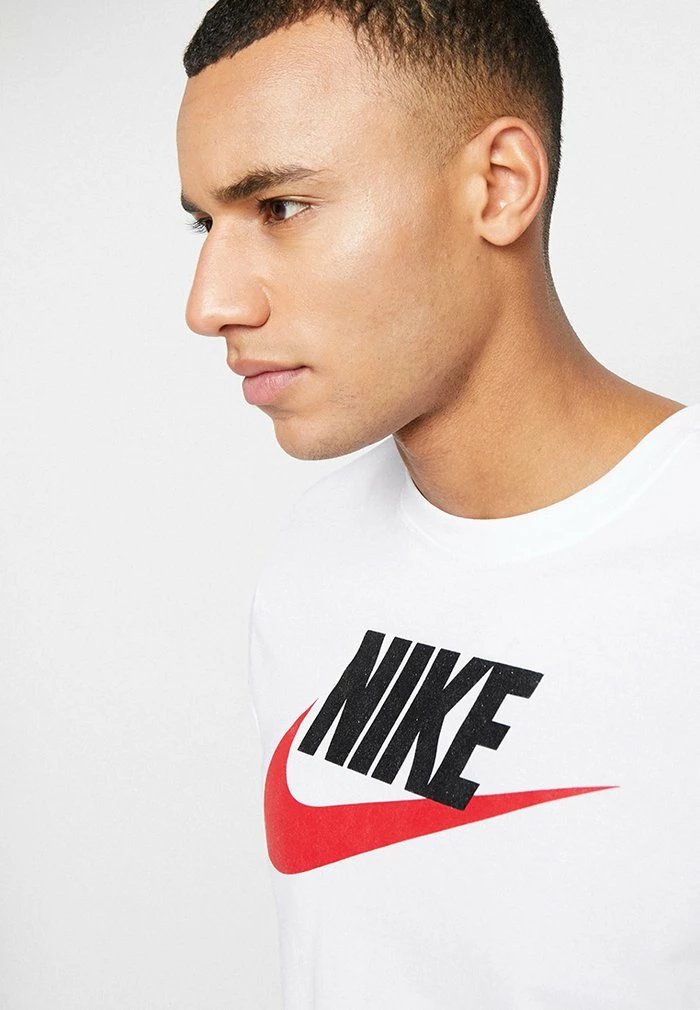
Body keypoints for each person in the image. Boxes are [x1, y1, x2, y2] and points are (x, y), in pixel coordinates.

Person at [176, 1, 700, 1006]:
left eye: (279, 207)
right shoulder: (312, 554)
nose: (210, 304)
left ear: (499, 185)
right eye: (206, 223)